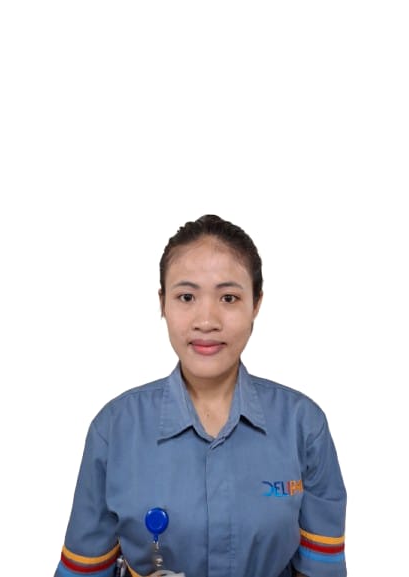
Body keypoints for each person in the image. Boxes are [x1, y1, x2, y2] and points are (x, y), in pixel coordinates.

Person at [54, 214, 347, 577]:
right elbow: (84, 568)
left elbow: (322, 569)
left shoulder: (303, 425)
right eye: (187, 297)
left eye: (229, 297)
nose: (206, 321)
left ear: (256, 304)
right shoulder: (115, 429)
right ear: (162, 303)